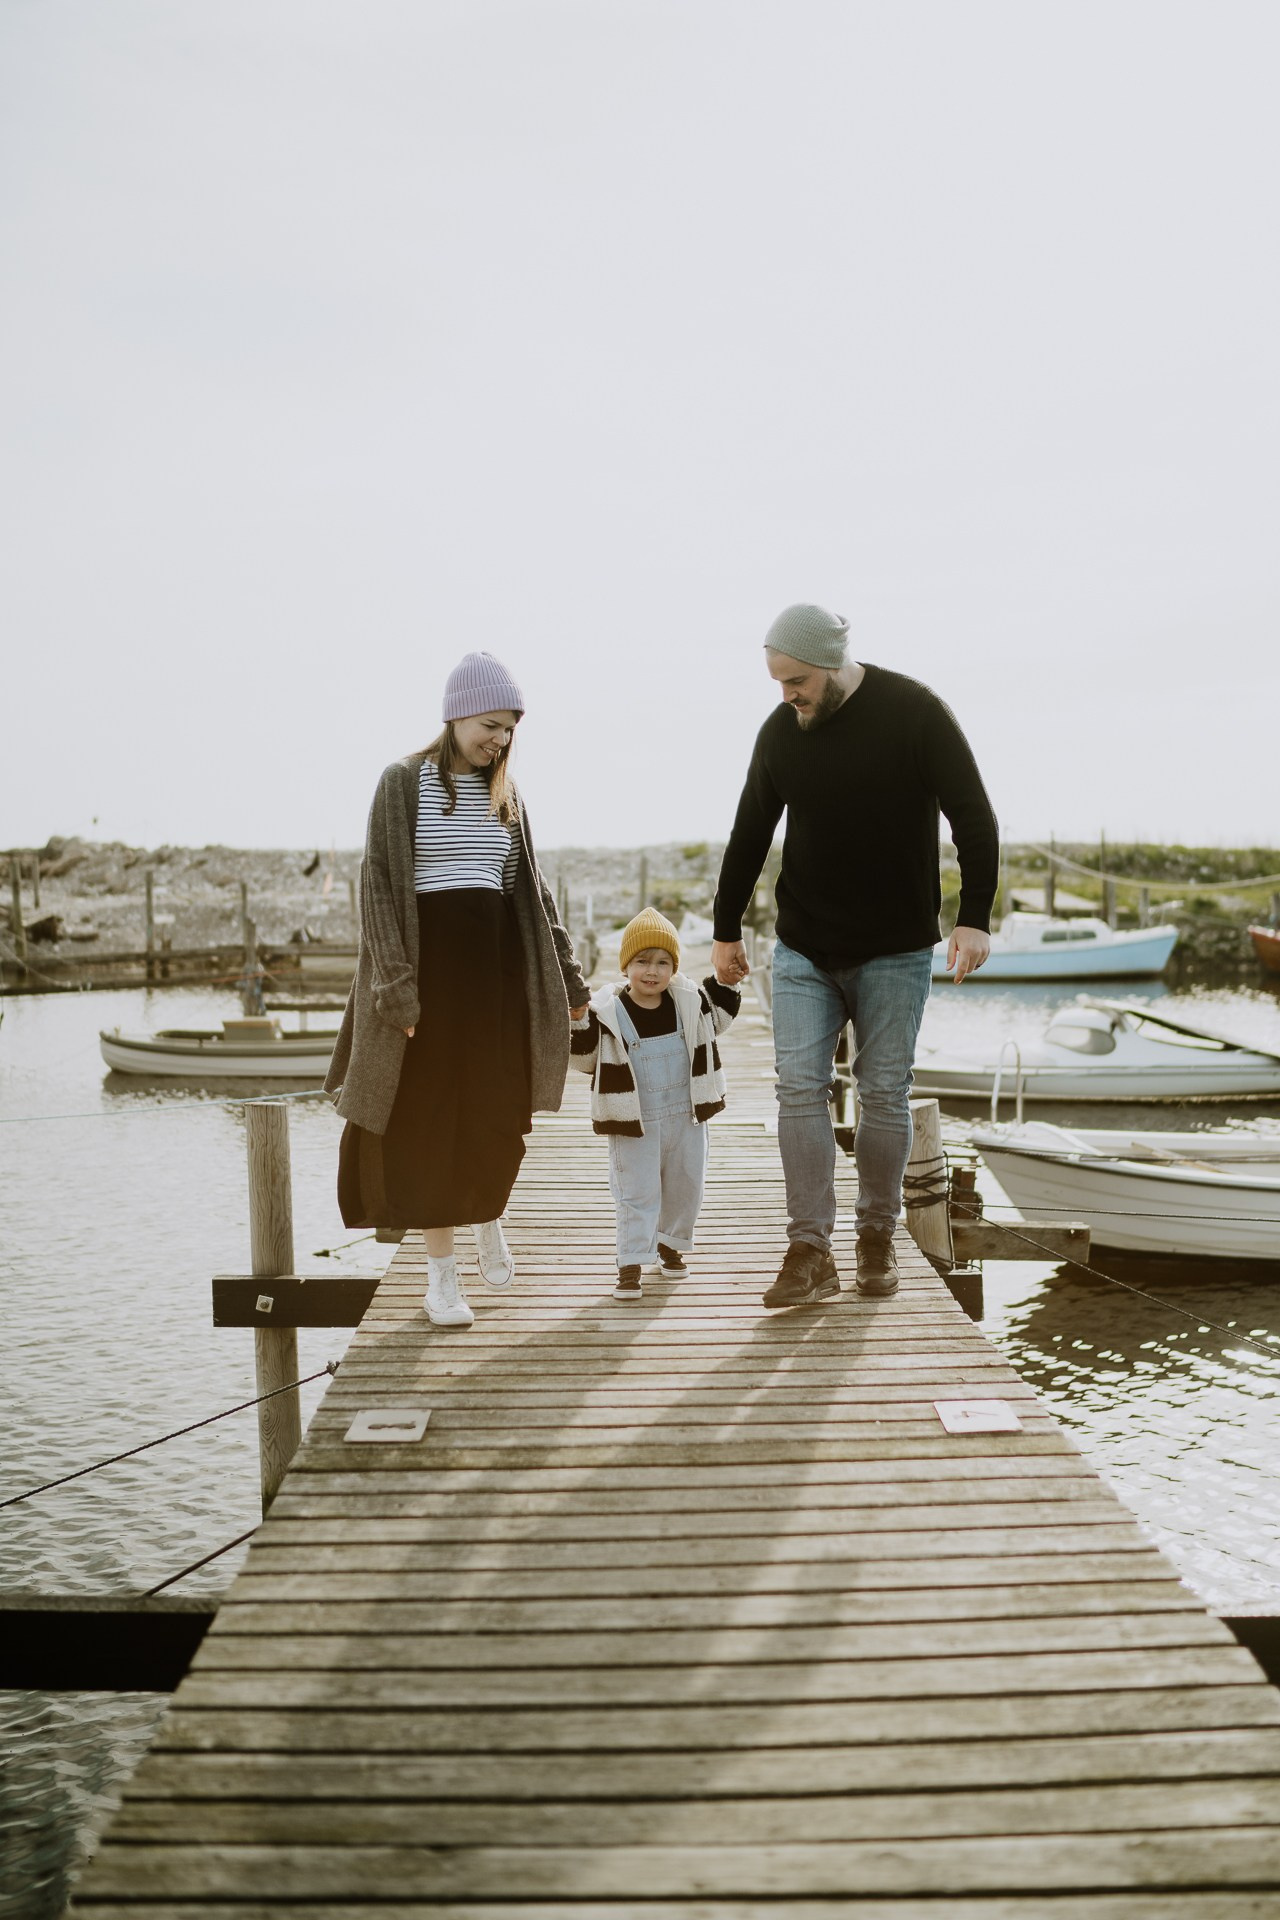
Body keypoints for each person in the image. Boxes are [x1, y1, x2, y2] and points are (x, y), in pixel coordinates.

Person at [711, 603, 998, 1307]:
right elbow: (750, 832)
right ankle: (809, 1249)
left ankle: (876, 1237)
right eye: (778, 681)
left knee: (882, 1093)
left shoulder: (915, 712)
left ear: (835, 664)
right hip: (805, 945)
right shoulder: (782, 733)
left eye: (799, 680)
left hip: (895, 949)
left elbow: (973, 814)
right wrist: (725, 931)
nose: (788, 694)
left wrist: (974, 918)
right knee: (798, 1088)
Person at [325, 651, 588, 1329]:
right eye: (490, 724)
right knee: (426, 1129)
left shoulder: (508, 797)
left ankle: (486, 1212)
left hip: (496, 982)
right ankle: (441, 1279)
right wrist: (397, 993)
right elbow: (379, 891)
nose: (499, 739)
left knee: (499, 1117)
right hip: (427, 985)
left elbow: (533, 897)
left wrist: (570, 978)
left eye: (509, 729)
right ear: (456, 713)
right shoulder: (403, 783)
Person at [570, 907, 741, 1299]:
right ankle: (630, 1263)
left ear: (674, 967)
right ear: (626, 965)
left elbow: (720, 1019)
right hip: (635, 1119)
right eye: (642, 961)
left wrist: (726, 981)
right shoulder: (608, 1012)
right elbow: (583, 1059)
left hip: (686, 1115)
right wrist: (578, 1018)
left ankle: (670, 1246)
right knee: (637, 1192)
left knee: (686, 1186)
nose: (652, 971)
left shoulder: (689, 1001)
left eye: (663, 962)